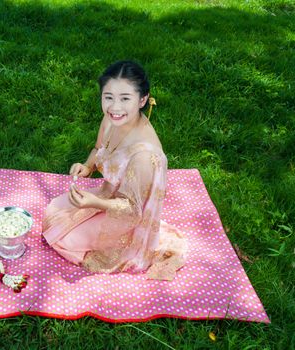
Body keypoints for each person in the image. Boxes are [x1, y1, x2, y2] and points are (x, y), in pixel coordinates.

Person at [42, 60, 187, 281]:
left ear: (142, 100)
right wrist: (87, 166)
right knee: (52, 214)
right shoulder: (113, 120)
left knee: (65, 238)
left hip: (127, 218)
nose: (114, 107)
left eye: (125, 99)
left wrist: (93, 203)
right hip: (107, 195)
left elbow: (133, 211)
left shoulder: (144, 156)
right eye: (108, 97)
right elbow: (100, 148)